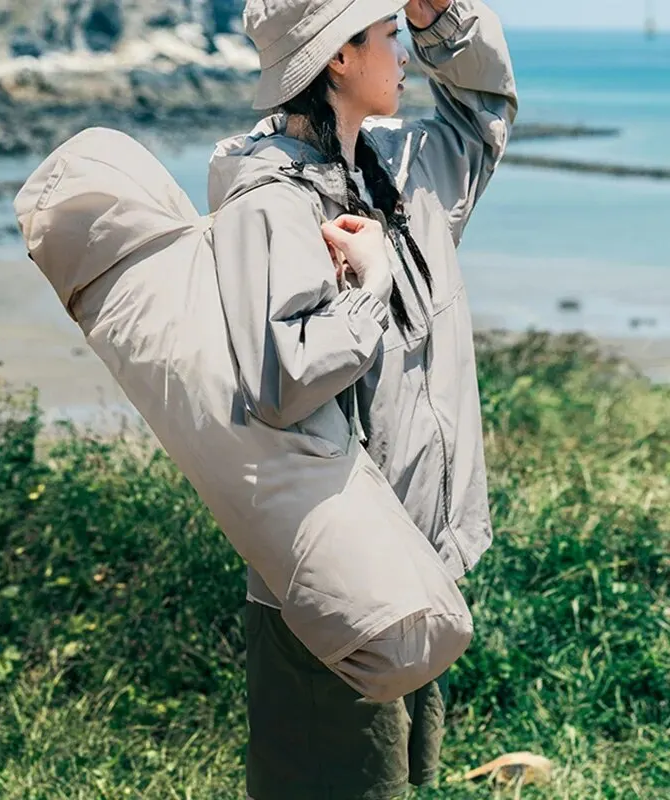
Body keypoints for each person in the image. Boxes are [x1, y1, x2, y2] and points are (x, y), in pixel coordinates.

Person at [207, 0, 517, 797]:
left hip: (415, 565)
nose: (404, 51)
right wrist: (371, 288)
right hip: (333, 586)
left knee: (398, 781)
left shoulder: (399, 167)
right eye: (387, 34)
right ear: (338, 58)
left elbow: (482, 116)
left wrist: (439, 16)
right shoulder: (267, 197)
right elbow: (280, 380)